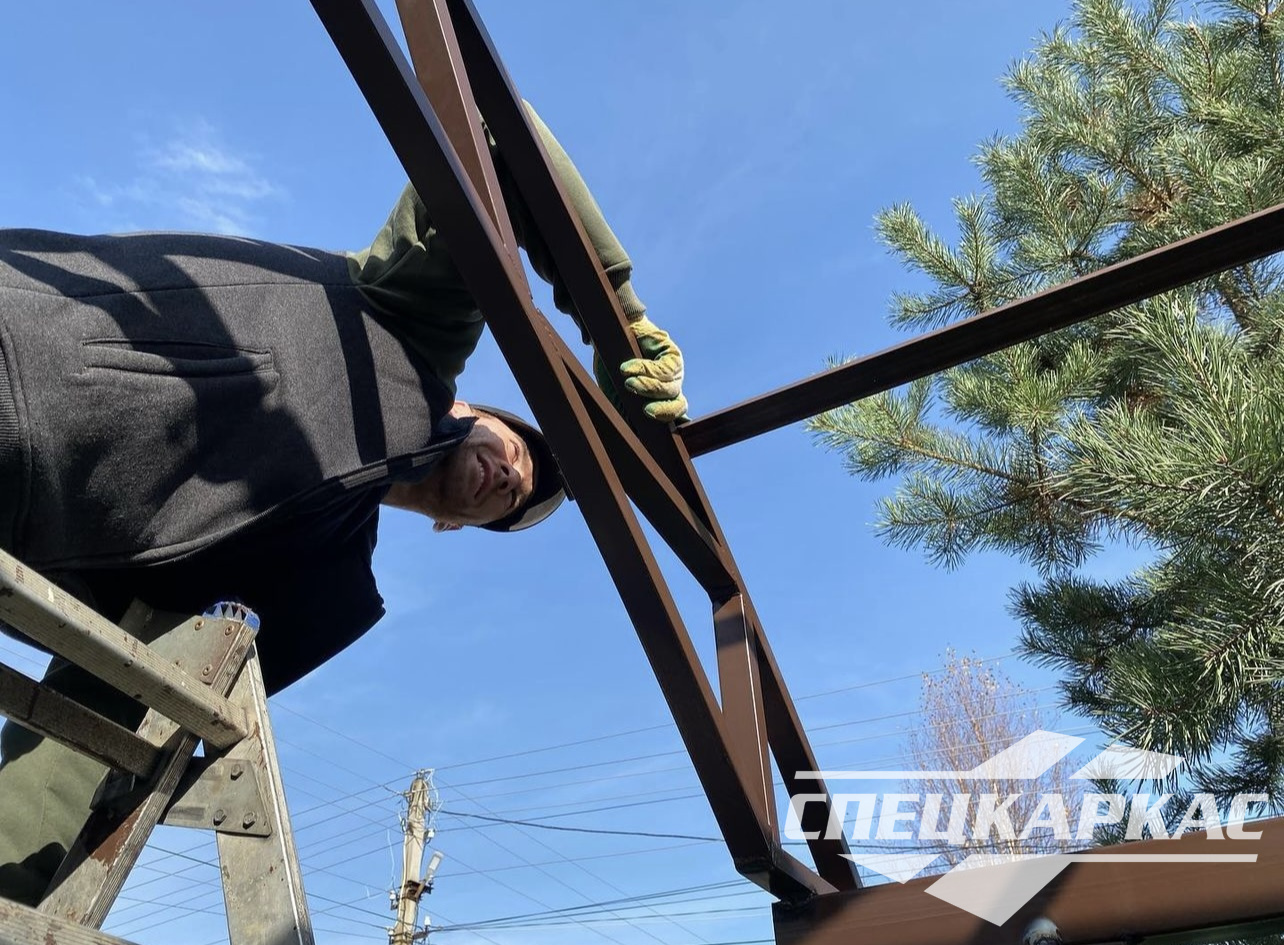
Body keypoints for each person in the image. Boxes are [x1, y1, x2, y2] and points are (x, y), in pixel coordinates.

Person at [0, 104, 687, 905]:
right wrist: (617, 317)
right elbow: (491, 138)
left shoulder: (318, 583)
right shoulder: (407, 324)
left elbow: (113, 702)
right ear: (475, 410)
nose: (511, 477)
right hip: (25, 341)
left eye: (512, 501)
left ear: (452, 525)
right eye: (519, 453)